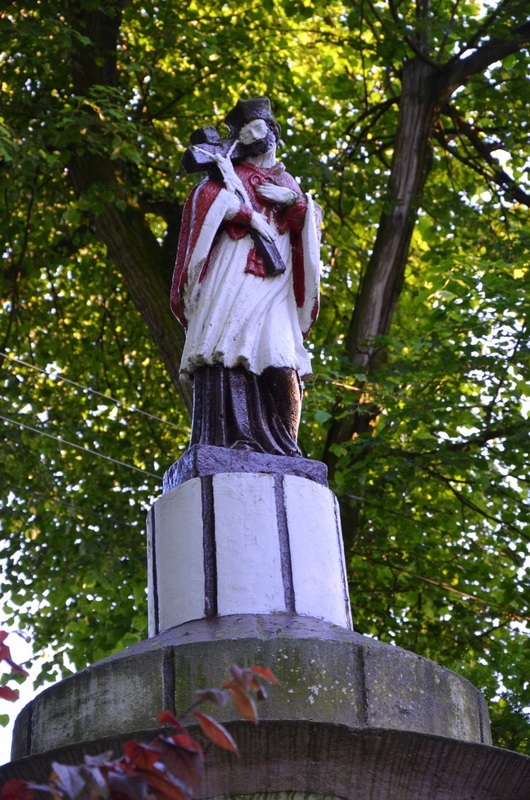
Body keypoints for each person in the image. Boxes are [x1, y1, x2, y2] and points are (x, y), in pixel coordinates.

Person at [171, 97, 322, 457]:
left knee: (281, 356)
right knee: (226, 348)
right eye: (246, 132)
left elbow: (310, 224)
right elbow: (206, 200)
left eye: (259, 128)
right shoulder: (228, 172)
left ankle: (284, 448)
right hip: (233, 271)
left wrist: (294, 202)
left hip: (276, 282)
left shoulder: (287, 180)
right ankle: (226, 440)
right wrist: (246, 213)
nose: (254, 136)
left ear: (273, 132)